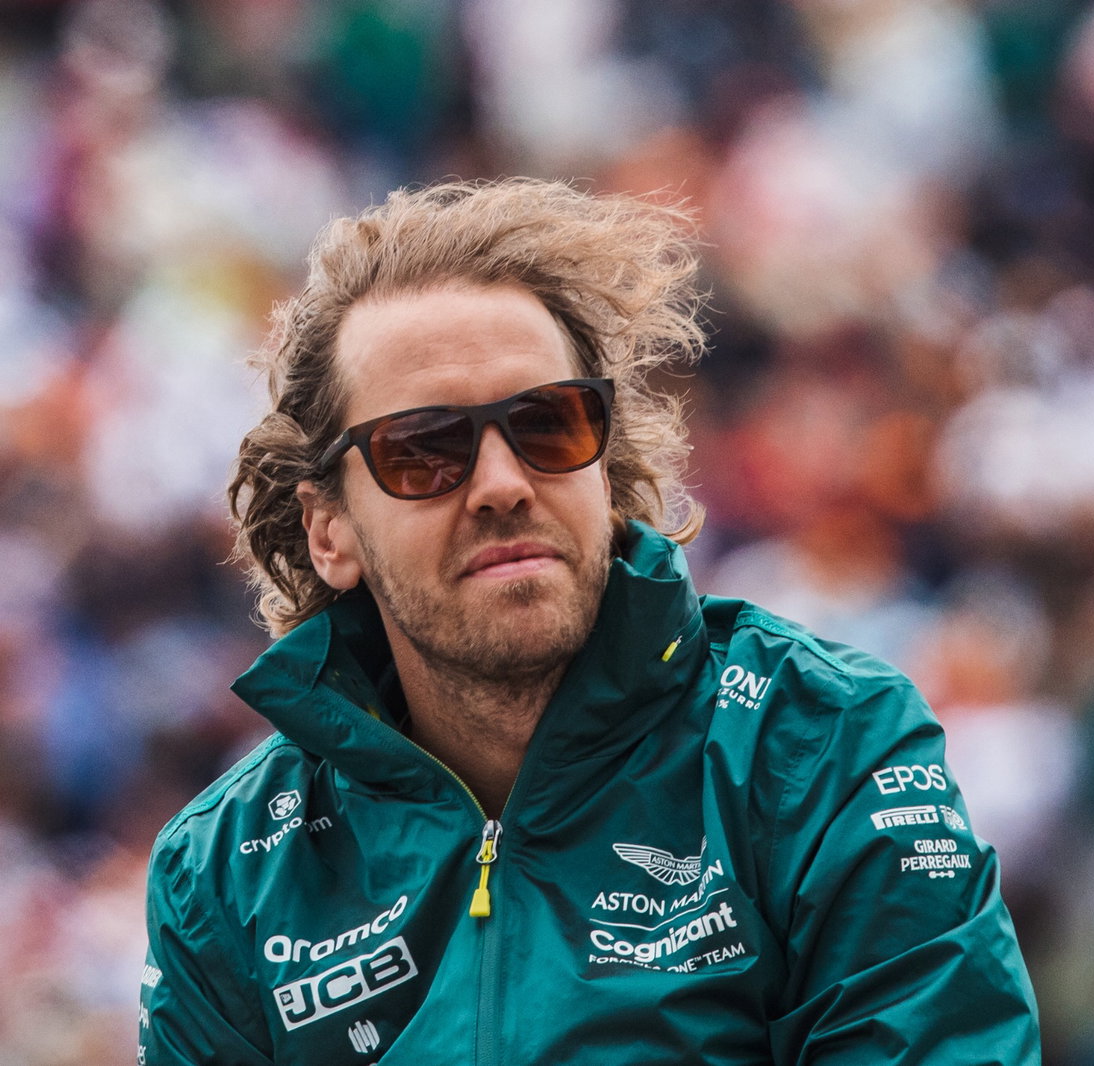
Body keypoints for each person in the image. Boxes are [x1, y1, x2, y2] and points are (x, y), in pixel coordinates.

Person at [138, 178, 1041, 1065]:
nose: (501, 484)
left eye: (550, 425)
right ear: (329, 532)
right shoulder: (226, 873)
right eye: (423, 450)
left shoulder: (821, 745)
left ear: (606, 469)